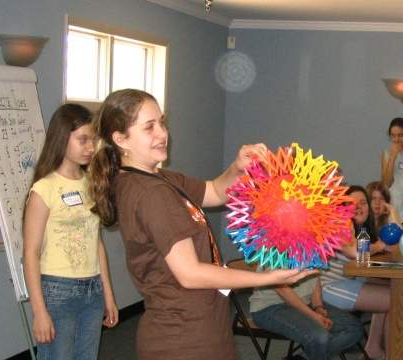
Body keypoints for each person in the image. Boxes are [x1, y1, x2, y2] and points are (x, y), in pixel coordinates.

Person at [88, 89, 316, 360]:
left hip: (200, 324)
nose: (162, 134)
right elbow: (190, 273)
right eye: (149, 127)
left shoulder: (156, 178)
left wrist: (237, 167)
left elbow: (215, 192)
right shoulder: (151, 193)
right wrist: (266, 278)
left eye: (162, 122)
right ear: (120, 139)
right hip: (184, 336)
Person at [23, 104, 118, 360]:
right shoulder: (44, 189)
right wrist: (39, 311)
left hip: (92, 290)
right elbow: (30, 253)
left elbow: (97, 243)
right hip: (57, 290)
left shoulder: (92, 183)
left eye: (93, 140)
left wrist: (108, 294)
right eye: (82, 140)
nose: (90, 147)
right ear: (62, 138)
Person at [322, 185, 389, 360]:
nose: (359, 207)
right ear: (343, 207)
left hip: (344, 282)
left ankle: (373, 348)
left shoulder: (362, 231)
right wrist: (379, 245)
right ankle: (392, 351)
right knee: (395, 298)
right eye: (352, 203)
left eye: (363, 202)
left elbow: (363, 261)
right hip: (326, 288)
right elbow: (357, 254)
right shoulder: (339, 225)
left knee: (389, 287)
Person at [249, 273, 363, 360]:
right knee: (319, 337)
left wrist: (318, 307)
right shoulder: (277, 246)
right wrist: (313, 315)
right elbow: (282, 289)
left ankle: (304, 357)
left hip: (305, 302)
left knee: (354, 328)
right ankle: (313, 353)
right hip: (270, 307)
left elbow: (315, 276)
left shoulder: (315, 244)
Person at [381, 117, 403, 219]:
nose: (396, 139)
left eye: (400, 135)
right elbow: (386, 183)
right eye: (393, 136)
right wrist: (392, 158)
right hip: (395, 202)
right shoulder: (386, 154)